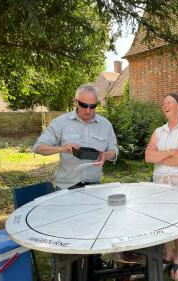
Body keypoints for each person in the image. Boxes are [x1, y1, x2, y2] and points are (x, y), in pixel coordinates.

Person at [32, 84, 119, 279]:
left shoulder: (105, 124)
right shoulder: (61, 123)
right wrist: (62, 149)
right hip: (66, 188)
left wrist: (107, 154)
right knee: (62, 235)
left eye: (93, 106)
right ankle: (61, 272)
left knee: (95, 230)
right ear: (75, 102)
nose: (88, 110)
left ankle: (94, 264)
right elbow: (38, 147)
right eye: (84, 105)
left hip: (93, 188)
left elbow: (115, 149)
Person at [145, 93, 178, 280]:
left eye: (169, 102)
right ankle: (167, 254)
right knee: (162, 219)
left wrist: (160, 155)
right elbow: (148, 157)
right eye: (163, 102)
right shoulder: (158, 132)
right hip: (160, 182)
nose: (164, 105)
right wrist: (169, 152)